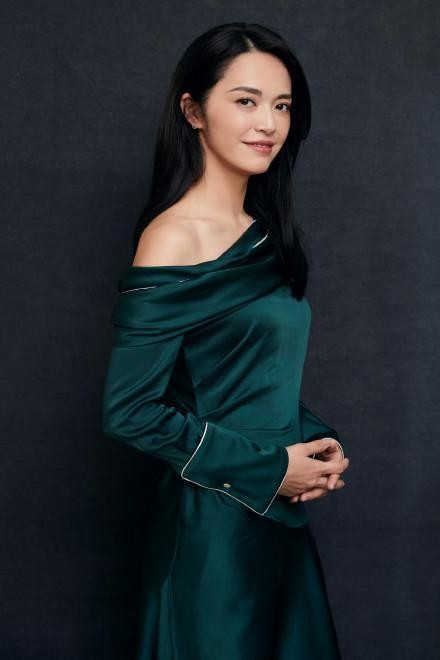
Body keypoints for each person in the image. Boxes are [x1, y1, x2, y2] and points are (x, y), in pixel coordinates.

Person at [101, 21, 350, 660]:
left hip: (278, 522)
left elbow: (249, 379)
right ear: (193, 111)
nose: (268, 122)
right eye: (246, 100)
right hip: (212, 530)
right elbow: (131, 411)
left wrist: (316, 444)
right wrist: (273, 469)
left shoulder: (266, 233)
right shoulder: (173, 237)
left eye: (282, 105)